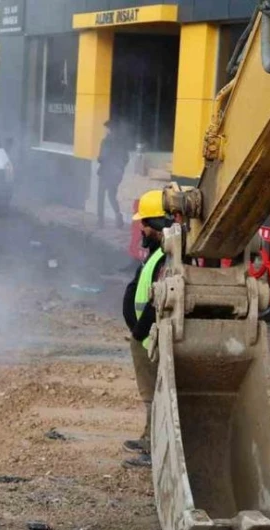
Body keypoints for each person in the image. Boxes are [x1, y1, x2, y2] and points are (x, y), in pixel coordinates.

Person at [120, 190, 174, 469]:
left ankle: (153, 450)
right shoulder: (156, 252)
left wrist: (140, 332)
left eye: (144, 223)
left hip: (148, 339)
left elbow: (157, 301)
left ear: (155, 224)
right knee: (149, 393)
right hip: (143, 337)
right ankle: (147, 437)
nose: (140, 227)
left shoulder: (166, 257)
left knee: (153, 394)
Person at [97, 119, 131, 228]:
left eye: (106, 128)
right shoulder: (121, 142)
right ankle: (118, 215)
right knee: (112, 195)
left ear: (109, 129)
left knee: (101, 196)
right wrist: (120, 168)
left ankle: (100, 220)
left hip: (105, 173)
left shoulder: (105, 141)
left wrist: (100, 159)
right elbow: (126, 158)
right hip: (116, 174)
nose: (105, 130)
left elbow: (103, 157)